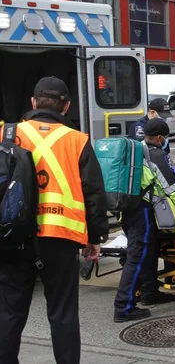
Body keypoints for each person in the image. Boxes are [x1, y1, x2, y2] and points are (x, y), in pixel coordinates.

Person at [0, 76, 109, 364]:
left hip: (11, 237)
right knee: (62, 315)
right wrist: (95, 239)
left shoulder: (6, 133)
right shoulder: (77, 139)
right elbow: (94, 193)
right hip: (60, 239)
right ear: (67, 106)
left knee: (9, 312)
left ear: (33, 103)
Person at [114, 118, 175, 323]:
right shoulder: (156, 155)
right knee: (137, 257)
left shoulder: (135, 149)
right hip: (141, 212)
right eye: (165, 138)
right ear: (159, 138)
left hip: (125, 210)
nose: (166, 141)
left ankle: (149, 292)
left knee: (149, 250)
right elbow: (173, 190)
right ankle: (123, 307)